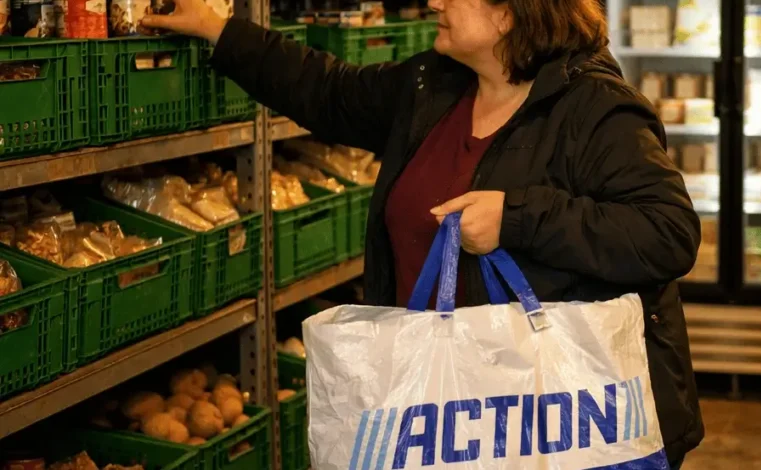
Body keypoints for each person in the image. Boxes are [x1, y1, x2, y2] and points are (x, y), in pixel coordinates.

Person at [143, 0, 704, 466]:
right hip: (446, 408)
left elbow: (667, 230)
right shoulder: (434, 87)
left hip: (549, 417)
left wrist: (516, 219)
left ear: (509, 14)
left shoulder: (595, 108)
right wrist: (220, 29)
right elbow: (328, 91)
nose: (434, 2)